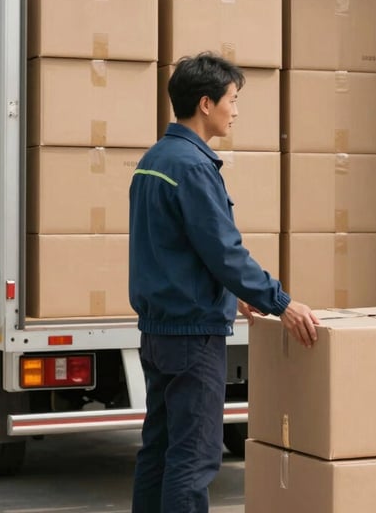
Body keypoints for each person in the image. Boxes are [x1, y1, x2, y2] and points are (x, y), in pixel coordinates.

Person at [129, 52, 320, 513]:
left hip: (158, 331)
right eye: (232, 100)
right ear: (205, 103)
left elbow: (172, 250)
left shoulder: (154, 160)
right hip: (193, 337)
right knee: (193, 459)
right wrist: (281, 302)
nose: (236, 110)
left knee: (160, 450)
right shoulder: (193, 167)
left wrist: (230, 294)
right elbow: (223, 251)